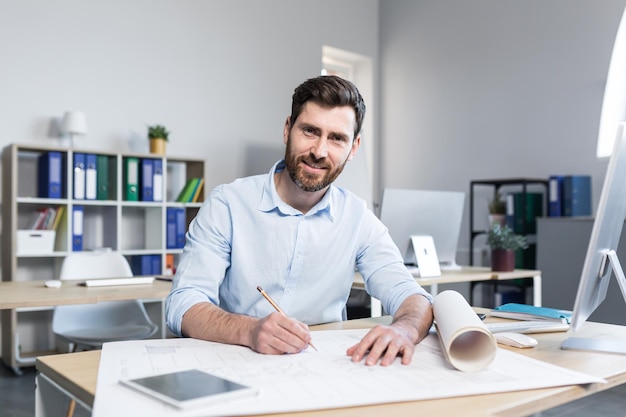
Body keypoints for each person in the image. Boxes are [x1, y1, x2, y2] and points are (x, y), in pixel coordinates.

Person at [166, 75, 433, 366]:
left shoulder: (357, 217)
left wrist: (404, 330)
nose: (319, 151)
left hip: (323, 368)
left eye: (337, 138)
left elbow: (412, 297)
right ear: (287, 129)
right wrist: (249, 329)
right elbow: (182, 303)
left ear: (353, 148)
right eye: (309, 131)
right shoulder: (227, 204)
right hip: (238, 361)